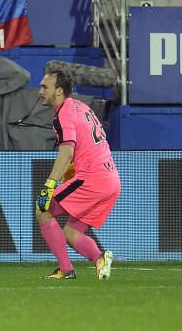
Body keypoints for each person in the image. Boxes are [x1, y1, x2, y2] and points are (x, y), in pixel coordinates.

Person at [35, 66, 119, 281]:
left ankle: (66, 270)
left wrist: (49, 185)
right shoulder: (80, 106)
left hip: (92, 178)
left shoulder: (63, 114)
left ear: (59, 91)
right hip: (111, 180)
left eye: (45, 87)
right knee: (71, 233)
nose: (40, 91)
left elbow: (67, 152)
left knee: (43, 209)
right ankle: (100, 258)